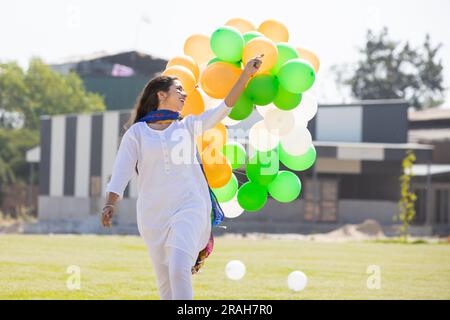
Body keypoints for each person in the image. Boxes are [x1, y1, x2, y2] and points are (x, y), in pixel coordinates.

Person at [101, 54, 263, 300]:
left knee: (178, 267)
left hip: (190, 206)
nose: (185, 95)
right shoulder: (137, 134)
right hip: (153, 215)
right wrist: (110, 203)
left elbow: (223, 108)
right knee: (165, 282)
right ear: (161, 95)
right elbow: (121, 170)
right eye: (178, 89)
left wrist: (245, 75)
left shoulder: (187, 126)